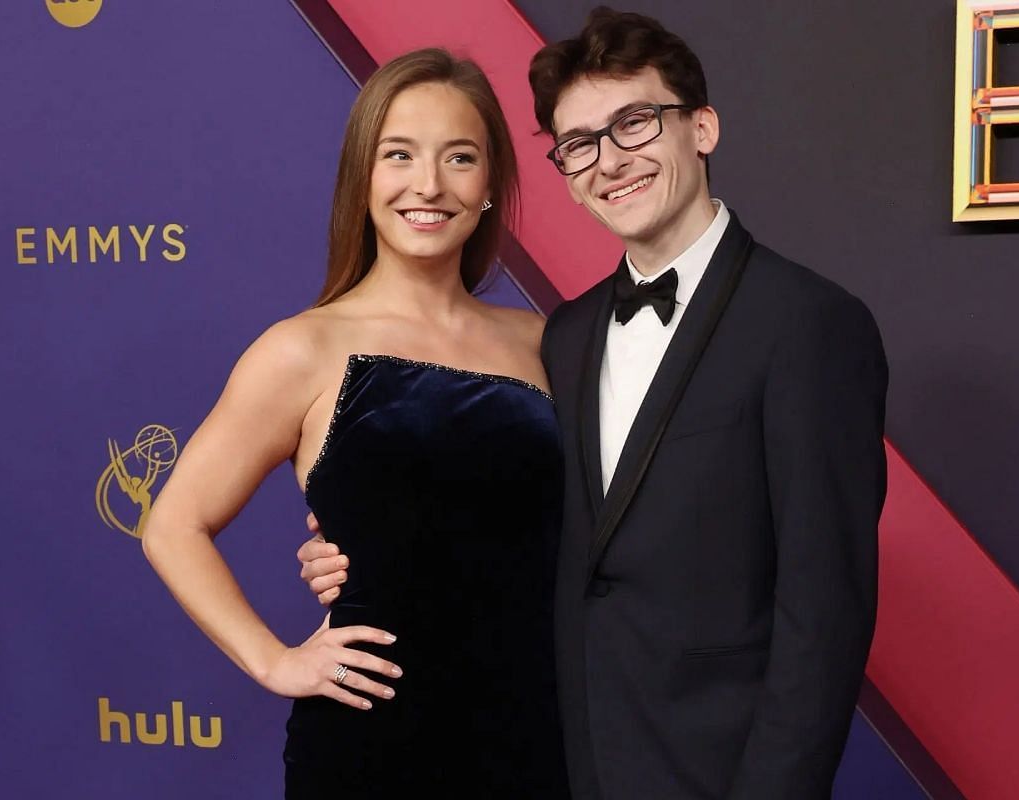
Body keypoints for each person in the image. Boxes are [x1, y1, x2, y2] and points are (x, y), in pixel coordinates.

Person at [298, 8, 889, 799]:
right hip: (555, 753)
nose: (611, 161)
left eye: (635, 123)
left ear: (703, 127)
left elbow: (826, 614)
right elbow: (521, 511)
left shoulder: (810, 324)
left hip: (718, 770)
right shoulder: (565, 336)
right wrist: (371, 537)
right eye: (580, 144)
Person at [142, 47, 569, 797]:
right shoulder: (303, 348)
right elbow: (172, 525)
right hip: (374, 744)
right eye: (398, 155)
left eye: (459, 157)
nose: (428, 185)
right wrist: (275, 660)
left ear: (492, 186)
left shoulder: (546, 343)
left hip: (546, 734)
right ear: (362, 178)